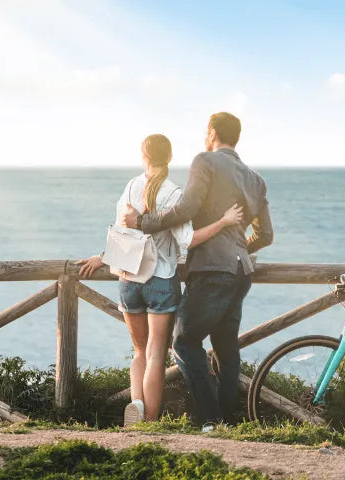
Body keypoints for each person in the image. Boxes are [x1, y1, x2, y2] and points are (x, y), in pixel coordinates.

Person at [77, 133, 243, 426]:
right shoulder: (174, 194)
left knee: (139, 352)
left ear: (144, 156)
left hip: (129, 279)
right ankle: (149, 421)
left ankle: (136, 406)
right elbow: (188, 240)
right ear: (169, 157)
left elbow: (122, 233)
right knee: (155, 353)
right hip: (161, 279)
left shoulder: (131, 187)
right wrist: (224, 222)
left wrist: (101, 257)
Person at [122, 112, 273, 430]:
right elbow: (265, 235)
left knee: (184, 342)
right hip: (240, 272)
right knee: (226, 349)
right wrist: (239, 249)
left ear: (212, 132)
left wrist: (144, 222)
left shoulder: (205, 161)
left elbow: (186, 210)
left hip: (211, 271)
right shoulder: (256, 180)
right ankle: (227, 422)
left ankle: (210, 420)